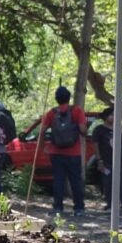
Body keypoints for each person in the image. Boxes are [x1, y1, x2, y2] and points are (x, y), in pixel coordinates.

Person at [39, 85, 88, 216]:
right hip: (74, 153)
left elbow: (42, 131)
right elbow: (83, 130)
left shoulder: (51, 113)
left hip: (56, 152)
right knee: (75, 181)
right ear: (69, 97)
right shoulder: (77, 111)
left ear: (56, 99)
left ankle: (58, 208)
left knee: (58, 180)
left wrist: (42, 147)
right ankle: (79, 208)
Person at [90, 106, 122, 214]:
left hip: (120, 160)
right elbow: (95, 145)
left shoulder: (118, 129)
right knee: (108, 183)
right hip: (107, 160)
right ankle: (110, 204)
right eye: (111, 115)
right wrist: (99, 160)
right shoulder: (99, 130)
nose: (113, 117)